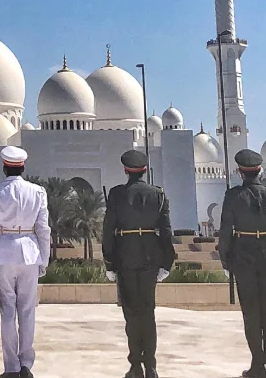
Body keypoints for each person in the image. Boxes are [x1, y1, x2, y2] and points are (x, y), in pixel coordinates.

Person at [102, 150, 177, 378]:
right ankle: (151, 366)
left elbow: (108, 231)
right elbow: (165, 231)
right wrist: (167, 262)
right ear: (145, 170)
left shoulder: (116, 195)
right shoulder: (158, 195)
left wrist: (109, 262)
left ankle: (135, 365)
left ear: (126, 170)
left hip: (125, 257)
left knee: (132, 314)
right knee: (148, 312)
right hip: (150, 258)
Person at [219, 148, 266, 378]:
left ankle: (257, 364)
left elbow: (225, 231)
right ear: (259, 170)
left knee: (251, 312)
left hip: (243, 256)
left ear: (240, 172)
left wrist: (225, 261)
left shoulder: (232, 196)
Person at [0, 146, 51, 378]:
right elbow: (43, 229)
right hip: (30, 253)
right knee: (28, 311)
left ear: (4, 167)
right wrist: (44, 258)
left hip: (5, 253)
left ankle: (11, 367)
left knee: (8, 312)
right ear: (23, 167)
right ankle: (26, 366)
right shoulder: (38, 192)